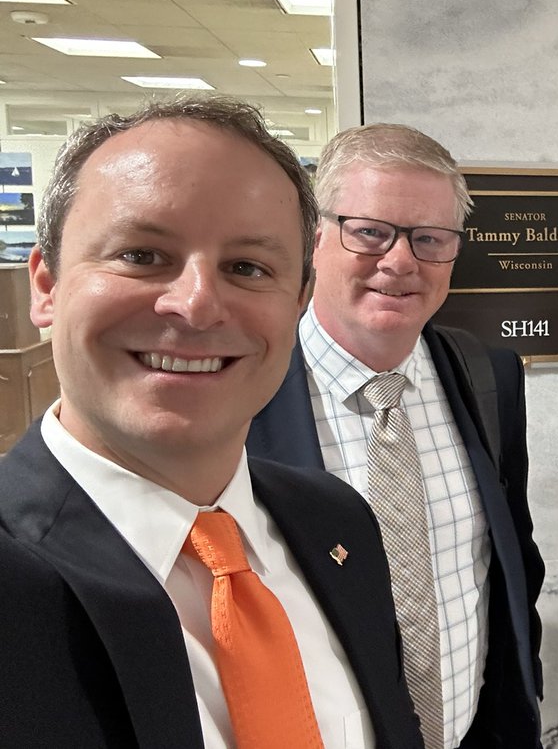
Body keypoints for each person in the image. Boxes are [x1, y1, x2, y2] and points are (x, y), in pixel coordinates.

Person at [0, 96, 421, 748]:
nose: (196, 305)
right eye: (142, 255)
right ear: (47, 286)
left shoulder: (337, 524)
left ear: (298, 303)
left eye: (247, 268)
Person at [246, 123, 543, 749]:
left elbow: (510, 558)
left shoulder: (490, 377)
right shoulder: (245, 392)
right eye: (370, 232)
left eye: (430, 238)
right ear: (316, 238)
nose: (401, 261)